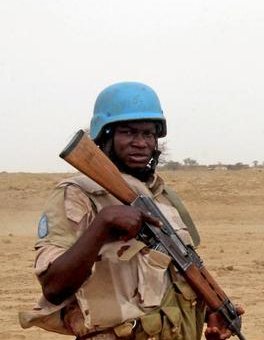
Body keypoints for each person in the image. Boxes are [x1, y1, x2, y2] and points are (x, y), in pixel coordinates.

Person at [19, 82, 242, 339]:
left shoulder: (162, 195)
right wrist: (102, 226)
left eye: (148, 134)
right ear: (105, 136)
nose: (141, 143)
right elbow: (53, 287)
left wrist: (209, 310)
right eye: (128, 132)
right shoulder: (77, 194)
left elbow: (176, 273)